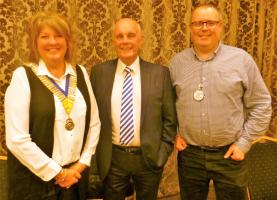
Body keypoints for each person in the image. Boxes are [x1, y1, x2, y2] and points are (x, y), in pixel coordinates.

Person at [169, 3, 272, 200]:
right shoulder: (177, 63)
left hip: (230, 155)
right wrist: (174, 133)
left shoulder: (241, 60)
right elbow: (167, 105)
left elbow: (261, 105)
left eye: (210, 23)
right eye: (198, 23)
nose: (204, 28)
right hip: (190, 156)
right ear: (190, 28)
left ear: (221, 26)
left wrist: (243, 144)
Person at [5, 11, 101, 200]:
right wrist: (59, 173)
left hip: (76, 179)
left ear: (68, 41)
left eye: (59, 36)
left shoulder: (80, 72)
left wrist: (79, 166)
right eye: (45, 36)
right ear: (35, 43)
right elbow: (17, 139)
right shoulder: (23, 77)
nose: (53, 42)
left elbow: (94, 124)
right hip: (36, 183)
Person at [90, 18, 177, 200]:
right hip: (113, 159)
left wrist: (161, 154)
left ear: (141, 39)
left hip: (149, 159)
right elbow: (92, 116)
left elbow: (170, 120)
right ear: (114, 41)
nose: (125, 41)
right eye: (120, 36)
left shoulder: (160, 74)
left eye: (131, 35)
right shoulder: (99, 73)